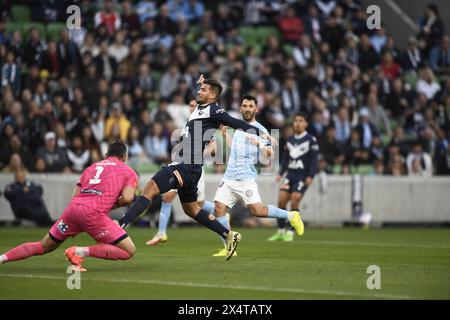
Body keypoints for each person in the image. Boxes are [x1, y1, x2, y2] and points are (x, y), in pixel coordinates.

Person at [117, 75, 277, 260]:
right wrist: (201, 83)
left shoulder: (214, 110)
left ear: (212, 96)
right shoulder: (202, 108)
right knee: (192, 210)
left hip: (186, 164)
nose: (198, 92)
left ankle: (121, 224)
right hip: (192, 167)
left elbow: (237, 123)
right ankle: (228, 235)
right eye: (199, 89)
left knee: (150, 188)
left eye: (203, 90)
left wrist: (263, 134)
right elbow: (201, 95)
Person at [0, 142, 138, 271]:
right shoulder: (128, 171)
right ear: (125, 157)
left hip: (73, 210)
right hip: (93, 213)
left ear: (106, 155)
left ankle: (2, 258)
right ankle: (78, 251)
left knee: (43, 245)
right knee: (128, 250)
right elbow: (127, 198)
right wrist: (108, 205)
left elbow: (75, 197)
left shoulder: (90, 168)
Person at [212, 95, 304, 256]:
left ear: (256, 109)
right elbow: (235, 149)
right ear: (240, 108)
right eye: (244, 106)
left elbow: (269, 155)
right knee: (219, 209)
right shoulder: (239, 127)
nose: (247, 109)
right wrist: (226, 134)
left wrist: (259, 144)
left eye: (250, 106)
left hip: (246, 179)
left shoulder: (261, 131)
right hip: (229, 177)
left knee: (258, 211)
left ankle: (291, 215)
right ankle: (229, 247)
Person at [146, 99, 217, 246]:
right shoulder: (187, 125)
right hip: (180, 165)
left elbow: (213, 149)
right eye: (190, 106)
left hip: (195, 169)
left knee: (199, 204)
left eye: (194, 106)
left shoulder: (205, 125)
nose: (191, 108)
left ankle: (220, 211)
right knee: (167, 197)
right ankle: (161, 233)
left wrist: (198, 153)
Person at [269, 113, 319, 242]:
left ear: (306, 124)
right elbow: (286, 159)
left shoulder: (311, 140)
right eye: (296, 121)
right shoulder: (290, 139)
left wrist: (311, 175)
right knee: (281, 201)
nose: (297, 123)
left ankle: (290, 231)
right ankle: (280, 231)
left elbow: (314, 160)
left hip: (302, 176)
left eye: (301, 121)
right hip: (290, 175)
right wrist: (281, 173)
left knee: (295, 199)